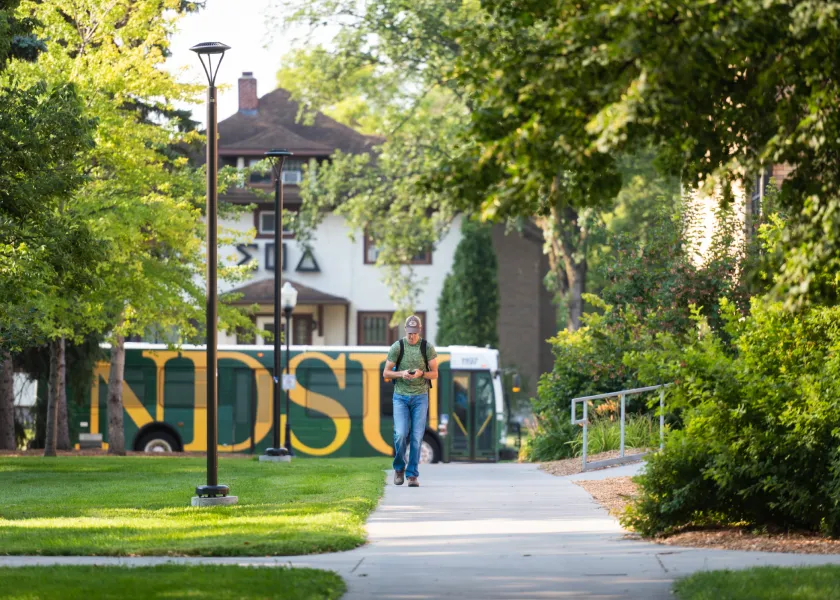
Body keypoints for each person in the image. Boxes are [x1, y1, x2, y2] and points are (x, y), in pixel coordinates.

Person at [382, 314, 438, 487]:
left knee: (416, 436)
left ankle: (412, 475)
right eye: (409, 332)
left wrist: (422, 374)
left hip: (420, 397)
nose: (412, 336)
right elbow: (386, 373)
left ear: (419, 330)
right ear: (405, 330)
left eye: (415, 332)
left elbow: (435, 374)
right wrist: (401, 374)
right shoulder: (397, 347)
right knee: (400, 434)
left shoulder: (427, 348)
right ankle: (399, 468)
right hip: (400, 397)